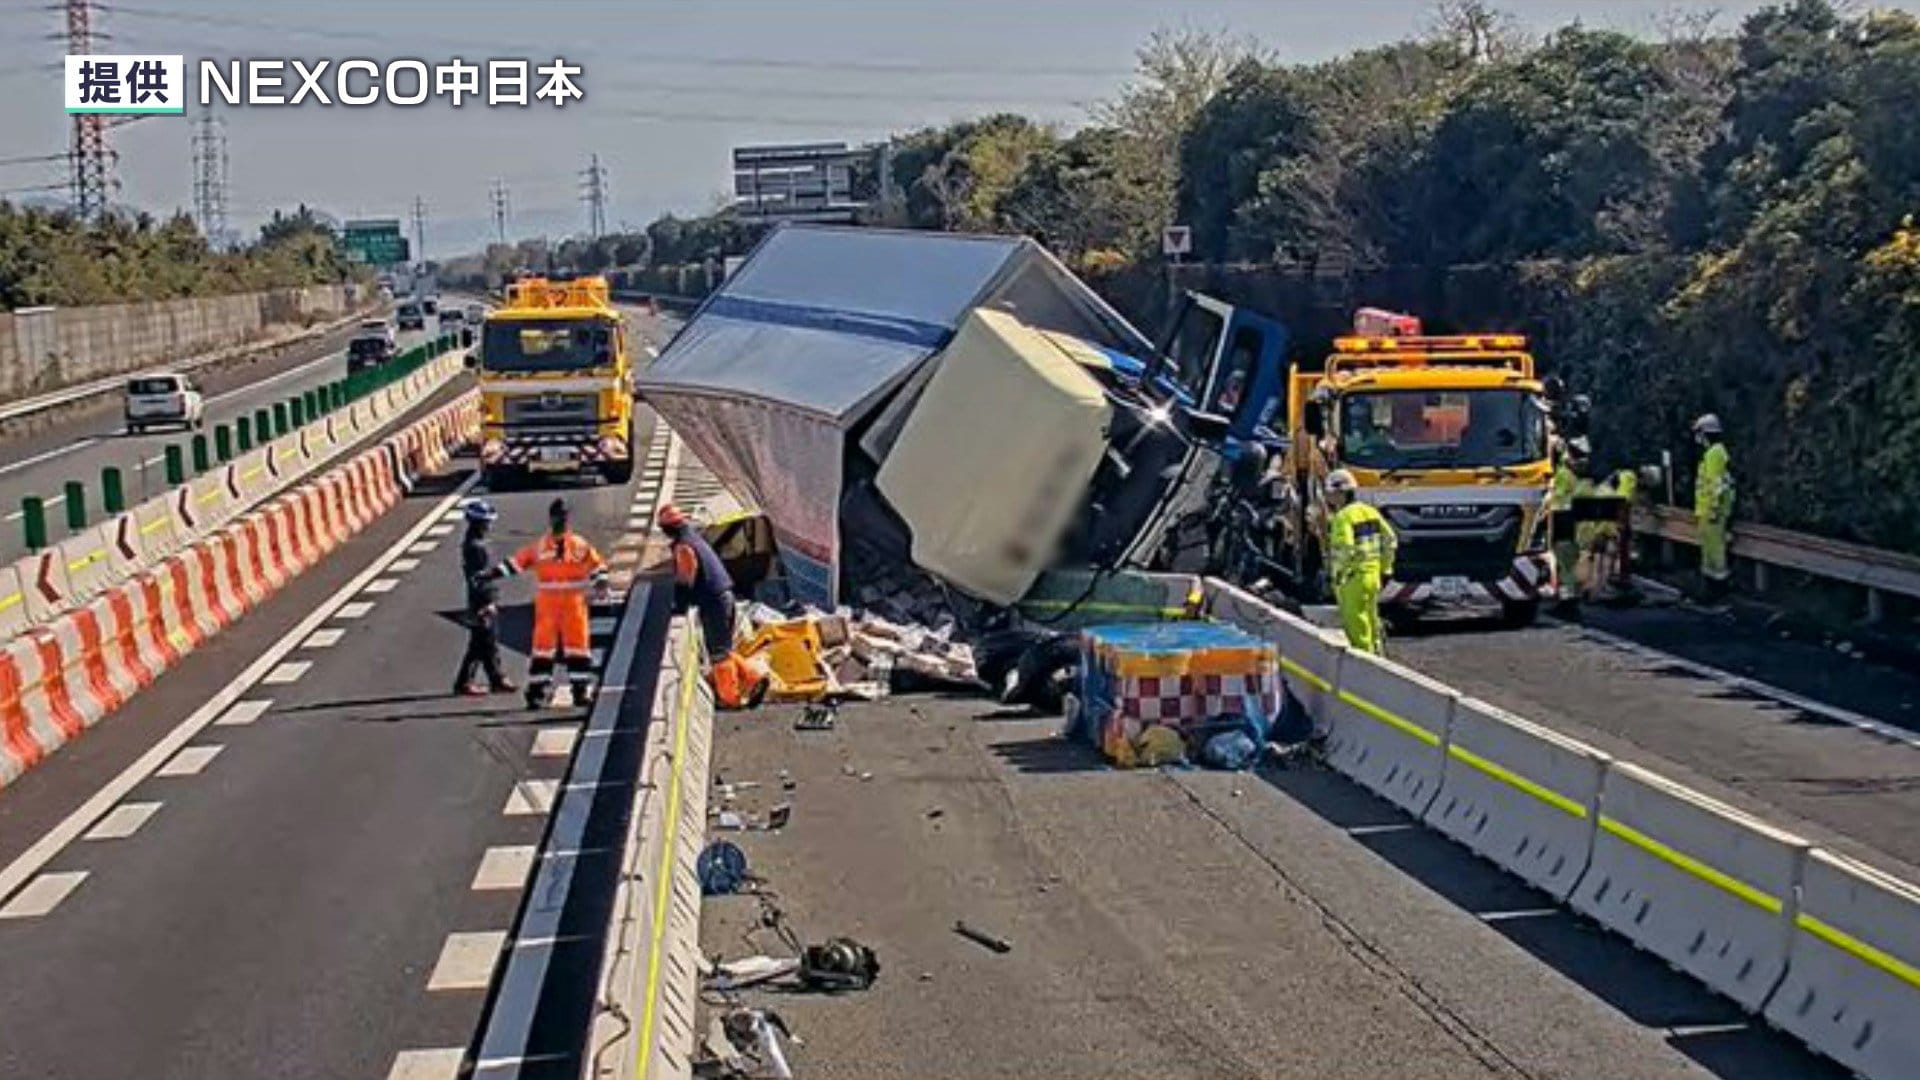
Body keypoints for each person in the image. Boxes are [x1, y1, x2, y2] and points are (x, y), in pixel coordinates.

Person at [498, 497, 608, 708]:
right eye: (558, 517)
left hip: (573, 605)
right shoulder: (540, 546)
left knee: (578, 649)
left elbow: (597, 565)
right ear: (551, 519)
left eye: (563, 517)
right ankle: (536, 693)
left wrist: (601, 581)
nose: (561, 521)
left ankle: (580, 691)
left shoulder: (578, 545)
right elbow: (516, 563)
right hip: (548, 607)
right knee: (543, 650)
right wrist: (492, 574)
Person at [1325, 468, 1396, 655]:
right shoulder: (1370, 511)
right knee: (1372, 619)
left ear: (1339, 493)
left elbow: (1344, 549)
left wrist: (1337, 576)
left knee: (1356, 624)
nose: (1328, 498)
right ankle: (1379, 656)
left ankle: (1364, 661)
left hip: (1353, 579)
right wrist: (1386, 568)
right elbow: (1390, 540)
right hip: (1374, 576)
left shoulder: (1343, 517)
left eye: (1330, 493)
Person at [657, 503, 737, 661]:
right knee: (724, 651)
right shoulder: (693, 537)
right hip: (723, 597)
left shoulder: (684, 545)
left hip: (715, 603)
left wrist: (680, 602)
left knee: (719, 654)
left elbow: (686, 576)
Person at [453, 500, 516, 696]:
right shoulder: (476, 548)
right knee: (484, 641)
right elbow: (479, 579)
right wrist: (487, 602)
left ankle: (494, 678)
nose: (489, 526)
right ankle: (472, 681)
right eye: (486, 522)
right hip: (481, 601)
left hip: (478, 599)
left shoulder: (473, 544)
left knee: (483, 642)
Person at [1693, 413, 1735, 604]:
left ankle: (1716, 591)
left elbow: (1717, 484)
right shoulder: (1715, 452)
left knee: (1715, 552)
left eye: (1699, 433)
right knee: (1710, 551)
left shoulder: (1714, 453)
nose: (1698, 437)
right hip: (1710, 512)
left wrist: (1713, 509)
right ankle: (1711, 589)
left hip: (1713, 513)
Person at [1549, 437, 1593, 611]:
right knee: (1569, 560)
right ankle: (1570, 595)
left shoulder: (1563, 474)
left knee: (1564, 561)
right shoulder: (1578, 475)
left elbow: (1557, 500)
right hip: (1573, 522)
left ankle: (1567, 600)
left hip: (1562, 520)